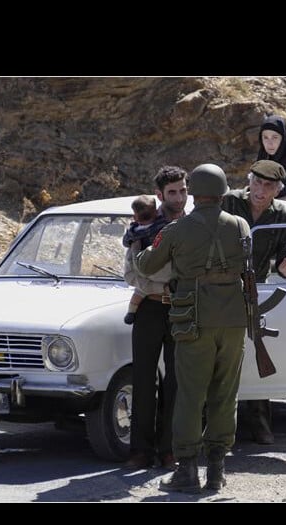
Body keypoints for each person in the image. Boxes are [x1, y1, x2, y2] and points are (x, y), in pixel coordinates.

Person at [135, 163, 251, 493]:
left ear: (194, 194)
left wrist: (142, 240)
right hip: (232, 321)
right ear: (223, 193)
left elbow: (148, 264)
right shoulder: (241, 225)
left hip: (193, 319)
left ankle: (186, 470)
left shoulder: (177, 229)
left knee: (189, 395)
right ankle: (217, 469)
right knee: (225, 394)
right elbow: (252, 267)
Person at [221, 160, 286, 445]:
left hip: (257, 290)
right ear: (249, 183)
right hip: (221, 285)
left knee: (258, 349)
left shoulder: (283, 215)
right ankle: (218, 424)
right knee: (219, 354)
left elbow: (284, 260)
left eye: (268, 186)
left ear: (277, 191)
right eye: (256, 183)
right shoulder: (229, 202)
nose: (260, 190)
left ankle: (259, 421)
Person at [124, 166, 188, 471]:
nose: (179, 197)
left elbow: (190, 271)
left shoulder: (194, 225)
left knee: (177, 382)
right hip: (149, 308)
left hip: (182, 308)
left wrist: (157, 275)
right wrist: (163, 281)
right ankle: (140, 450)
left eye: (183, 190)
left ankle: (169, 449)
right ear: (160, 195)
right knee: (143, 380)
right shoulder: (143, 225)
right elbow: (132, 273)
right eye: (172, 192)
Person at [122, 194, 169, 325]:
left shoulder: (135, 231)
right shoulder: (161, 225)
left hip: (156, 275)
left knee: (139, 292)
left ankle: (131, 311)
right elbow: (130, 275)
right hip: (144, 273)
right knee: (139, 291)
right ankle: (131, 312)